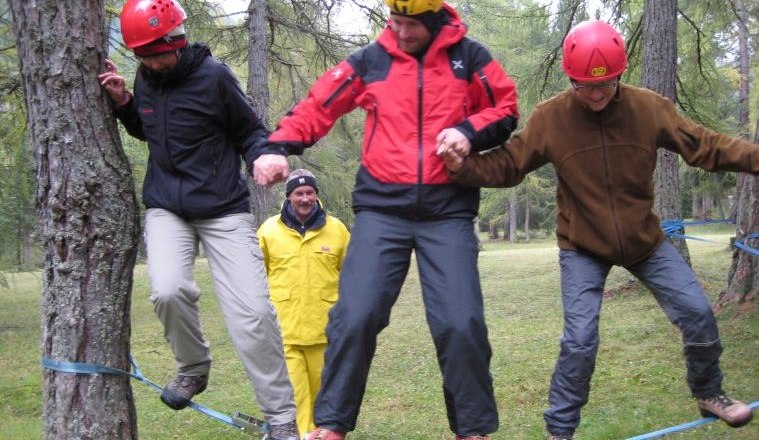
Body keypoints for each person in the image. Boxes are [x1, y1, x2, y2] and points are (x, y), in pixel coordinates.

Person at [439, 19, 759, 440]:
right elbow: (510, 162)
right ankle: (560, 430)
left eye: (604, 85)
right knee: (580, 340)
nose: (594, 95)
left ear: (619, 76)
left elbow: (706, 146)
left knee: (698, 314)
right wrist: (463, 168)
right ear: (570, 79)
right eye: (583, 87)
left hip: (645, 242)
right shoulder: (551, 118)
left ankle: (709, 392)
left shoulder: (649, 108)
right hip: (583, 248)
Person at [252, 1, 519, 438]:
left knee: (460, 321)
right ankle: (331, 426)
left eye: (410, 24)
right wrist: (278, 145)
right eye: (394, 22)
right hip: (381, 210)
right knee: (354, 315)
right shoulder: (371, 60)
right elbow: (319, 104)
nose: (400, 31)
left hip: (446, 209)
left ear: (434, 22)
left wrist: (467, 133)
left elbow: (505, 109)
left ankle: (473, 430)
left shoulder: (468, 58)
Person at [97, 1, 299, 438]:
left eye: (156, 53)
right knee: (168, 291)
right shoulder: (146, 77)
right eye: (142, 55)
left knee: (253, 316)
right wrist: (124, 102)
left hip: (222, 208)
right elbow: (146, 128)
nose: (150, 62)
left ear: (176, 40)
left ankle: (282, 417)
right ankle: (193, 368)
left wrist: (264, 156)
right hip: (167, 206)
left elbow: (250, 130)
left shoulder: (214, 77)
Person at [257, 169, 351, 438]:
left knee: (324, 394)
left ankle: (323, 434)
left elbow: (352, 274)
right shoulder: (269, 231)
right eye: (299, 193)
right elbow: (254, 276)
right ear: (288, 197)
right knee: (294, 394)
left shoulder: (336, 230)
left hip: (325, 329)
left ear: (316, 195)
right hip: (284, 330)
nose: (305, 198)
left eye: (310, 192)